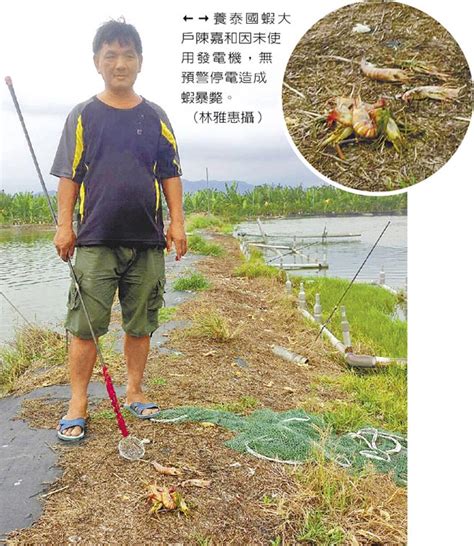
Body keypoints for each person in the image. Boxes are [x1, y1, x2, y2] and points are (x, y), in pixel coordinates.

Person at [51, 19, 187, 440]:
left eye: (128, 55)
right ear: (97, 62)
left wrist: (177, 222)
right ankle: (78, 404)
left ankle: (134, 391)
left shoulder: (155, 115)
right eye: (111, 55)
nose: (120, 63)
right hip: (94, 240)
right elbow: (69, 177)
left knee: (141, 323)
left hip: (146, 241)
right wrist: (64, 226)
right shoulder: (83, 115)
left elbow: (170, 173)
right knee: (85, 326)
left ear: (140, 62)